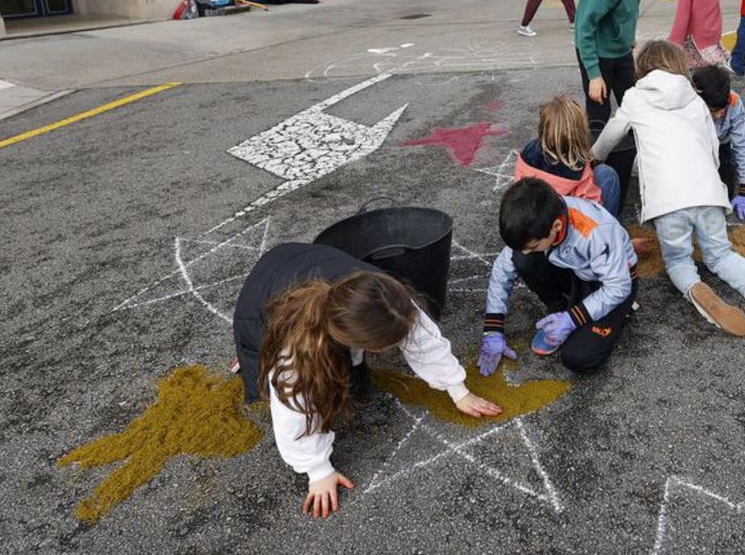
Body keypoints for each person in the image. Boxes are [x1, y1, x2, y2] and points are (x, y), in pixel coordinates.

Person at [233, 243, 502, 518]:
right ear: (359, 342)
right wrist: (318, 470)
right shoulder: (296, 353)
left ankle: (341, 361)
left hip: (302, 262)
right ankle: (250, 356)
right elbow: (294, 409)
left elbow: (423, 338)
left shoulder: (387, 298)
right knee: (287, 369)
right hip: (262, 301)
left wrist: (458, 389)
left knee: (355, 383)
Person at [591, 40, 745, 337]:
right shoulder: (694, 99)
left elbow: (611, 135)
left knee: (678, 260)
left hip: (668, 199)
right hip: (707, 190)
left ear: (643, 68)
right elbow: (713, 149)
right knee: (720, 254)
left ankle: (698, 291)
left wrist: (594, 157)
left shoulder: (635, 96)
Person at [477, 178, 638, 375]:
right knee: (521, 260)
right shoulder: (537, 219)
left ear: (556, 226)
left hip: (612, 284)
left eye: (533, 246)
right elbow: (502, 270)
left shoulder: (595, 231)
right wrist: (493, 329)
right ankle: (560, 311)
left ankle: (618, 312)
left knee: (578, 357)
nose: (527, 251)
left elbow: (618, 287)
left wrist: (572, 319)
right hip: (576, 271)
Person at [575, 0, 660, 128]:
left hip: (621, 48)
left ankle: (632, 153)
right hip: (596, 50)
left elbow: (633, 6)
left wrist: (629, 35)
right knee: (599, 108)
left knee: (631, 103)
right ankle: (594, 157)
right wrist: (593, 74)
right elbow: (583, 30)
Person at [514, 94, 622, 217]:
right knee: (607, 174)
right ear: (580, 133)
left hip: (533, 221)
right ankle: (609, 232)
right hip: (564, 227)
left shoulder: (528, 153)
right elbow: (592, 204)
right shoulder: (577, 166)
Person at [692, 65, 745, 222]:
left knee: (722, 199)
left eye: (723, 109)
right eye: (713, 110)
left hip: (722, 146)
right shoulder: (685, 106)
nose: (720, 114)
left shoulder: (733, 102)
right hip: (692, 149)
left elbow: (744, 145)